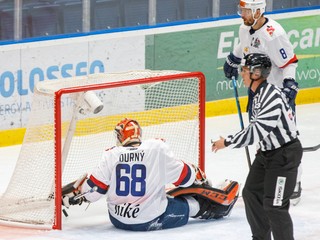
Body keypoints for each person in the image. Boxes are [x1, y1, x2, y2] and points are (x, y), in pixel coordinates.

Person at [62, 118, 239, 231]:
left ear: (119, 137)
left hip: (118, 220)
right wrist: (195, 172)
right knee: (188, 201)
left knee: (166, 192)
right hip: (150, 219)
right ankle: (215, 210)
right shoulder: (155, 148)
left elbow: (93, 192)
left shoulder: (111, 154)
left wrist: (76, 194)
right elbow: (185, 178)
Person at [214, 53, 302, 240]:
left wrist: (227, 141)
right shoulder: (257, 94)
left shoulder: (271, 96)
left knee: (275, 206)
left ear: (256, 73)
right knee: (251, 193)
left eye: (244, 70)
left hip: (284, 156)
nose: (241, 74)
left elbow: (257, 131)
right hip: (267, 155)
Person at [223, 0, 302, 204]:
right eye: (241, 10)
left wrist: (290, 84)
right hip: (257, 92)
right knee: (260, 133)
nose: (242, 14)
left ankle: (294, 183)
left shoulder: (274, 34)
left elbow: (290, 62)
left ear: (258, 11)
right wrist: (233, 57)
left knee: (285, 137)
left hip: (277, 96)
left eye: (246, 11)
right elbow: (245, 44)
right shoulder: (245, 27)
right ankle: (266, 172)